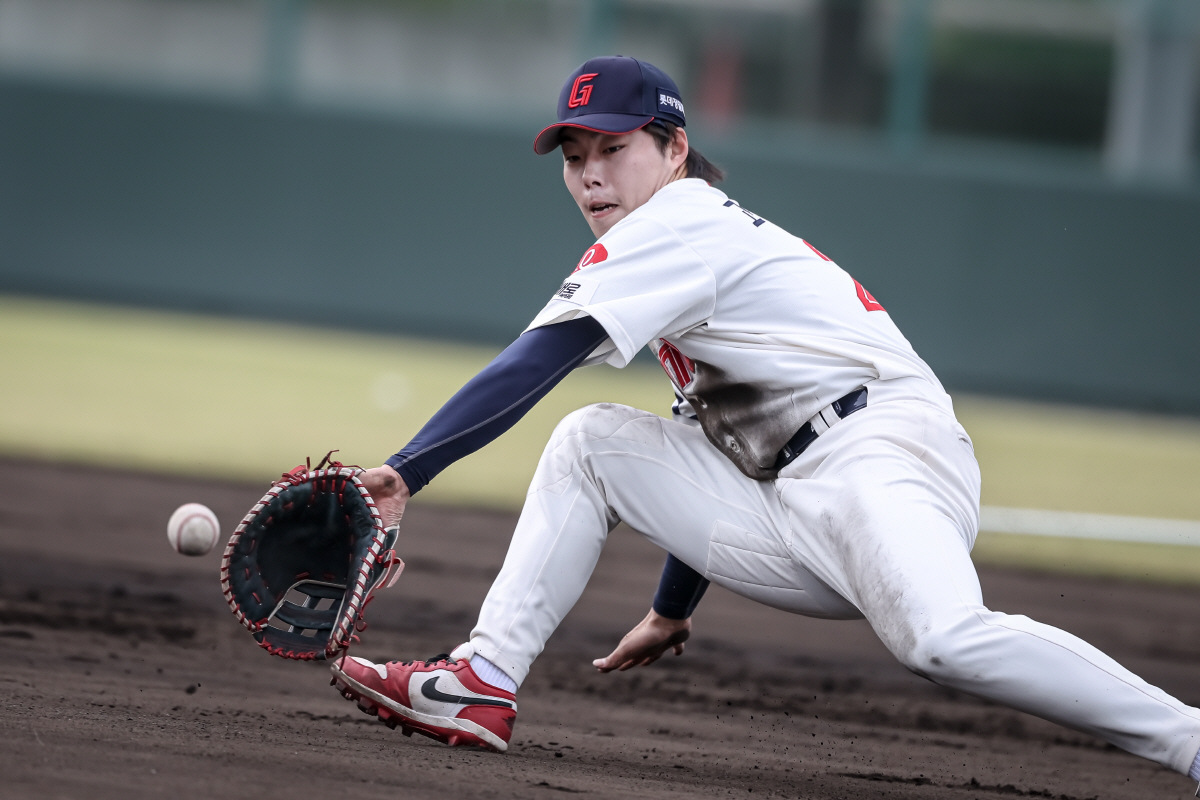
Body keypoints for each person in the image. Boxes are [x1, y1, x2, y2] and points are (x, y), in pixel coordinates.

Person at [330, 56, 1200, 783]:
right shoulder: (666, 242)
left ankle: (1189, 740)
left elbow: (536, 358)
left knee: (942, 640)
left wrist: (408, 470)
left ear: (673, 151)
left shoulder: (674, 226)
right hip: (791, 496)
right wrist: (673, 608)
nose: (591, 172)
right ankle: (483, 680)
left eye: (614, 148)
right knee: (592, 442)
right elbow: (715, 438)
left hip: (879, 452)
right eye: (574, 154)